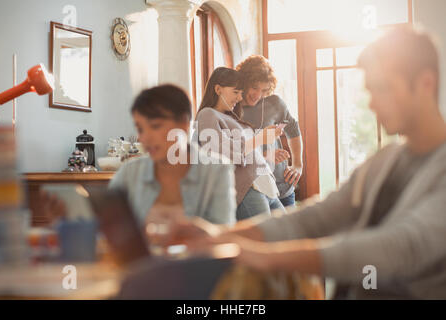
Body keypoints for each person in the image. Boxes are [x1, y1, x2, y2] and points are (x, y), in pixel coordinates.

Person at [163, 26, 446, 299]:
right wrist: (217, 236)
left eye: (382, 88)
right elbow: (316, 217)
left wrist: (260, 255)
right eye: (370, 91)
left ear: (425, 83)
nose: (372, 104)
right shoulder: (385, 162)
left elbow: (399, 247)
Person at [109, 84, 236, 228]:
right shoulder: (129, 173)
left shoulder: (216, 170)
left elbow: (223, 234)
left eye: (155, 126)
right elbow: (108, 230)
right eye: (140, 129)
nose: (144, 138)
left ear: (184, 123)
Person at [193, 67, 287, 221]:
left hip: (264, 185)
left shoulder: (232, 117)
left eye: (241, 93)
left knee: (288, 234)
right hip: (248, 190)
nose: (239, 98)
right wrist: (260, 138)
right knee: (266, 240)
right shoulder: (208, 114)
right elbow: (221, 154)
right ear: (218, 89)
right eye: (235, 92)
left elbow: (247, 151)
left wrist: (266, 148)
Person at [235, 55, 303, 207]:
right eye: (254, 87)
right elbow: (232, 151)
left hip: (283, 186)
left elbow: (293, 128)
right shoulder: (232, 108)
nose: (258, 95)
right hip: (254, 190)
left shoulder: (275, 103)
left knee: (289, 231)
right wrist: (265, 155)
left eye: (264, 90)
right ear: (244, 82)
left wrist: (298, 164)